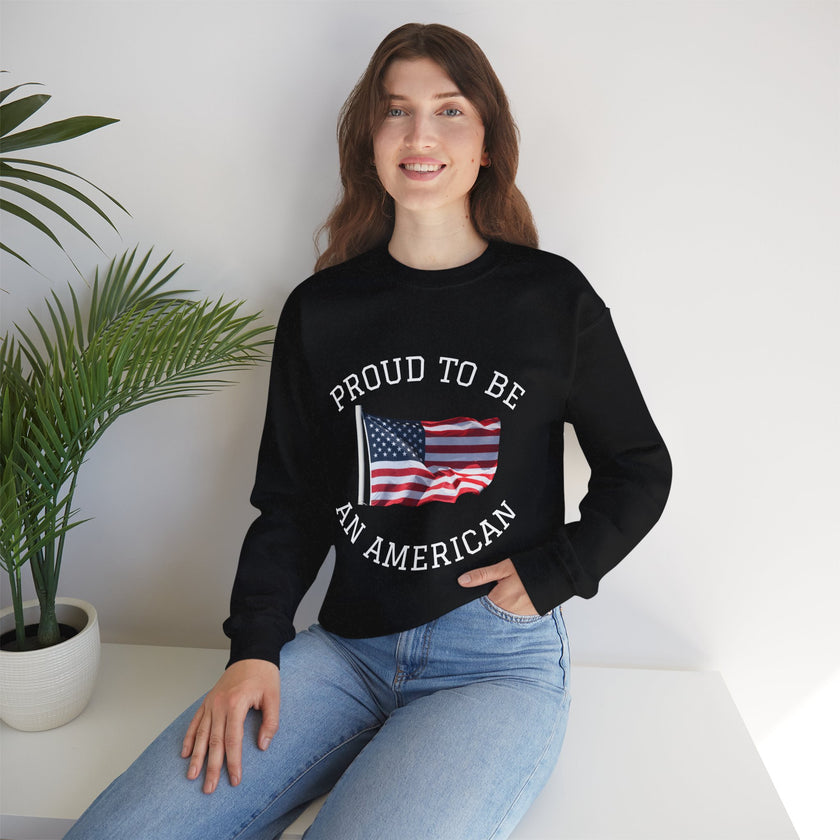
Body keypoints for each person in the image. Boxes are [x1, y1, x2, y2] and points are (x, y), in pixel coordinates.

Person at [65, 22, 671, 840]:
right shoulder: (323, 309)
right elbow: (291, 503)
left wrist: (559, 567)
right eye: (396, 112)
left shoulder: (550, 298)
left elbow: (639, 465)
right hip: (344, 650)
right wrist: (254, 647)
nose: (421, 135)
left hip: (492, 662)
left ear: (487, 141)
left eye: (449, 111)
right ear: (370, 141)